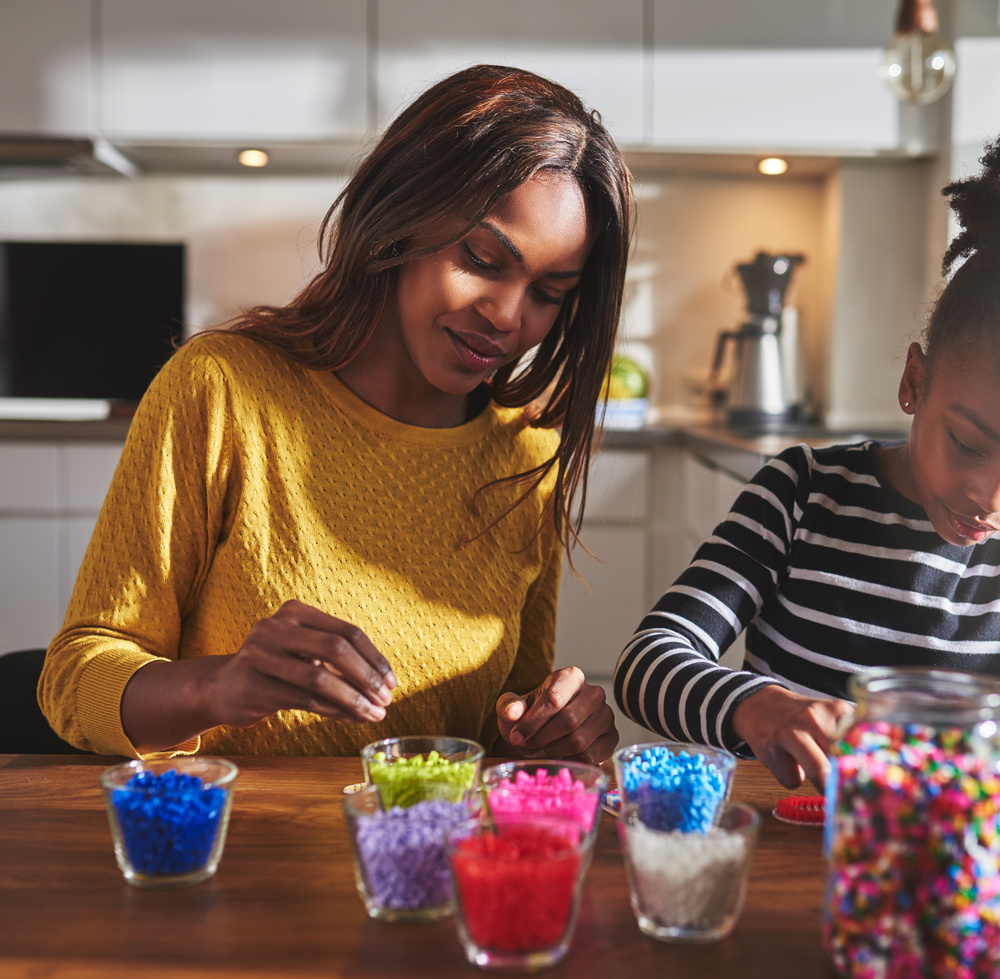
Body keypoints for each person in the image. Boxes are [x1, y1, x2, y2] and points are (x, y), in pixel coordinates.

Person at [614, 100, 1000, 812]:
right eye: (967, 443)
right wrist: (761, 708)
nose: (993, 497)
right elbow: (648, 661)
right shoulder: (800, 491)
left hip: (942, 871)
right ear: (914, 381)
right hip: (780, 857)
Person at [39, 65, 632, 763]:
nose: (506, 315)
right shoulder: (224, 389)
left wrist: (547, 733)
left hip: (422, 864)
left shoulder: (527, 450)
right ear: (400, 213)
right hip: (233, 855)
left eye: (549, 292)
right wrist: (217, 685)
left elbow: (505, 735)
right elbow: (74, 679)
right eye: (481, 258)